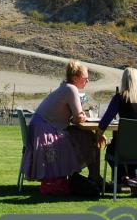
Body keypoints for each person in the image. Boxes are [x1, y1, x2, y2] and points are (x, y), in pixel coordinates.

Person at [21, 60, 101, 190]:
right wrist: (82, 117)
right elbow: (79, 118)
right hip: (45, 131)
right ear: (75, 78)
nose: (87, 81)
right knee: (86, 137)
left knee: (86, 136)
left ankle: (92, 177)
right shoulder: (71, 89)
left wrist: (78, 117)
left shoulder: (66, 87)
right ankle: (94, 177)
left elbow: (76, 117)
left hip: (41, 128)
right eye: (85, 78)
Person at [96, 67, 137, 194]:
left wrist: (98, 135)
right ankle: (136, 185)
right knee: (133, 154)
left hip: (124, 147)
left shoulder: (120, 98)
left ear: (124, 81)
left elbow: (105, 121)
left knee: (111, 148)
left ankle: (123, 178)